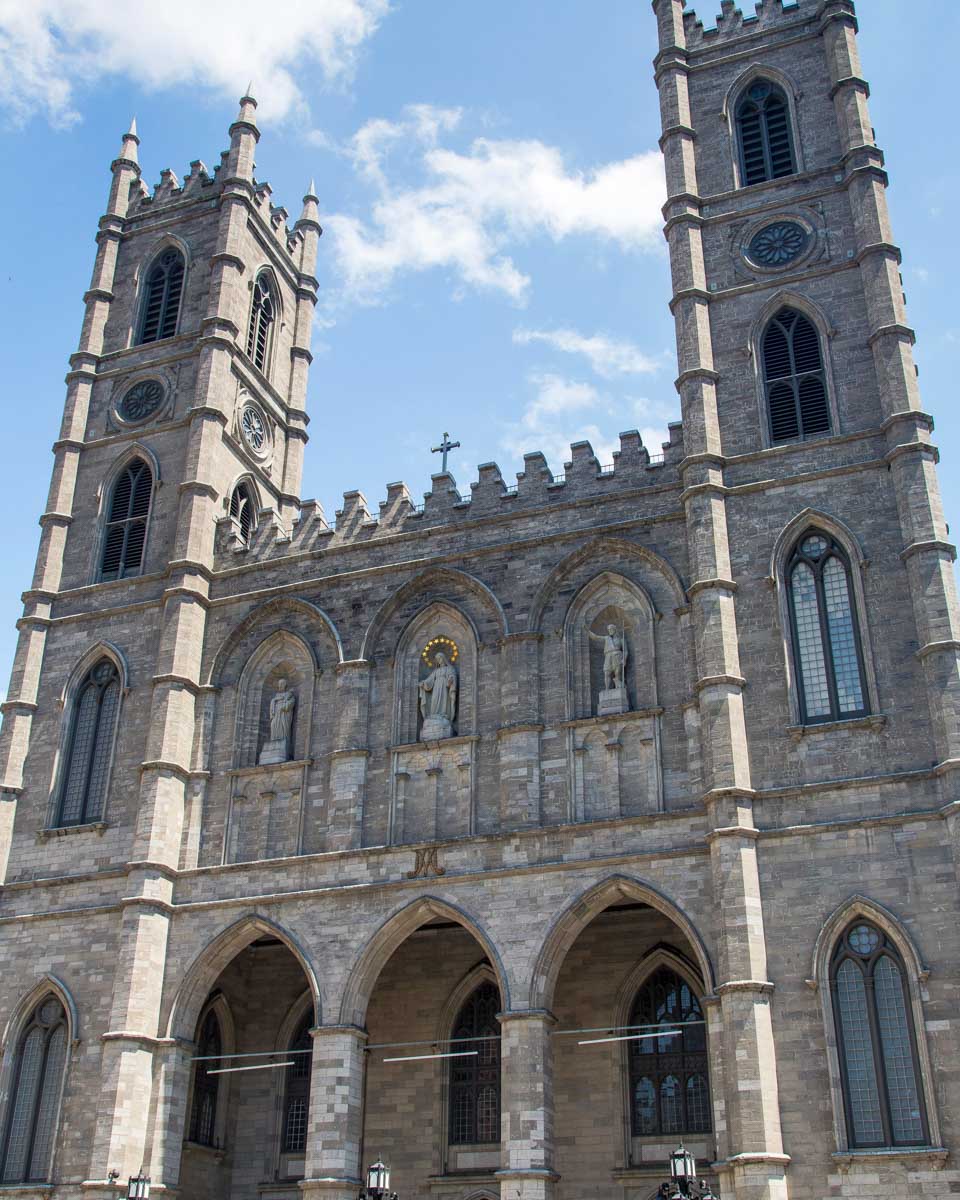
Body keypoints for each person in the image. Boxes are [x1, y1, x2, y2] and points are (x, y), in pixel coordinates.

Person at [588, 623, 628, 690]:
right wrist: (587, 631)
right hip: (608, 656)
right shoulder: (607, 638)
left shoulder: (621, 639)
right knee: (607, 673)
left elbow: (625, 651)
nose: (610, 630)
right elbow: (596, 637)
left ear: (615, 630)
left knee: (617, 673)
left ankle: (619, 687)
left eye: (611, 629)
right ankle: (607, 689)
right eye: (609, 629)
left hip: (617, 655)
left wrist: (624, 659)